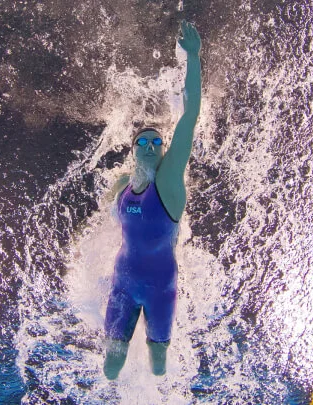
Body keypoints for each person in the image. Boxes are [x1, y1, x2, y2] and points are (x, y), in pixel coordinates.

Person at [103, 20, 202, 380]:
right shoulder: (123, 184)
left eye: (156, 142)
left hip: (161, 286)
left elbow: (190, 117)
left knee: (158, 367)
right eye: (142, 142)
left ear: (164, 151)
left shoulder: (169, 182)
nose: (149, 145)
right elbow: (105, 222)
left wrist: (193, 57)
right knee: (111, 367)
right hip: (122, 283)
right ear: (132, 151)